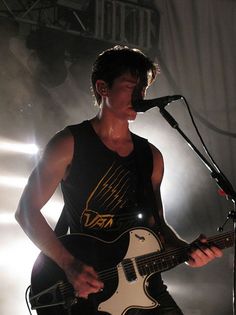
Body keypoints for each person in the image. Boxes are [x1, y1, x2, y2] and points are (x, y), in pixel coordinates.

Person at [15, 46, 222, 315]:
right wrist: (69, 264)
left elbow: (156, 226)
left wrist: (187, 252)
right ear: (103, 88)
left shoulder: (151, 156)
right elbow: (26, 211)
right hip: (87, 286)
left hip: (144, 286)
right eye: (130, 86)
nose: (139, 96)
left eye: (143, 89)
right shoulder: (68, 144)